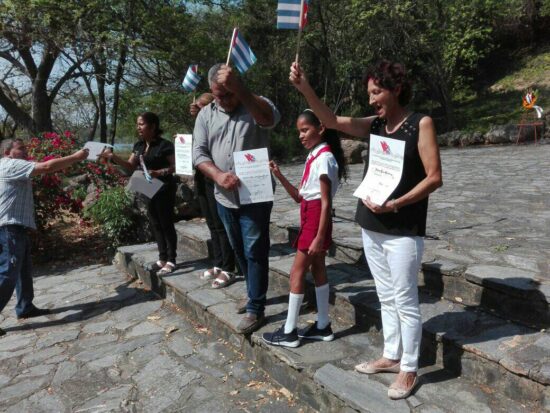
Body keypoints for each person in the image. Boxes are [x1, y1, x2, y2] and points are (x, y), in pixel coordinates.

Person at [289, 60, 442, 399]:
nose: (372, 99)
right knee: (385, 295)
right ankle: (391, 355)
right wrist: (305, 88)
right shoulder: (374, 126)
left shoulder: (421, 124)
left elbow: (434, 177)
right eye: (369, 93)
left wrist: (396, 203)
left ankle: (409, 368)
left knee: (405, 299)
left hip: (403, 228)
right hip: (371, 224)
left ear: (396, 89)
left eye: (377, 92)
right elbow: (329, 121)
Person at [193, 63, 281, 334]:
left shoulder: (255, 104)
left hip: (255, 195)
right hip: (224, 196)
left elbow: (269, 119)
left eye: (228, 94)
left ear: (236, 85)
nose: (223, 100)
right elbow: (199, 153)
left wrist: (241, 91)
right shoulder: (206, 115)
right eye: (218, 95)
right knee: (239, 249)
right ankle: (252, 291)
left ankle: (256, 308)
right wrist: (218, 176)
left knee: (255, 250)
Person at [262, 109, 346, 348]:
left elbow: (326, 202)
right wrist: (279, 175)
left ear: (321, 128)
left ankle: (289, 331)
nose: (301, 135)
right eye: (299, 131)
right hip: (309, 214)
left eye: (305, 130)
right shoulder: (313, 156)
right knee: (318, 268)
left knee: (296, 273)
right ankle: (323, 325)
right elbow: (300, 197)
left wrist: (319, 235)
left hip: (316, 219)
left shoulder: (324, 158)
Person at [0, 139, 89, 336]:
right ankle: (24, 307)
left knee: (23, 270)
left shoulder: (8, 165)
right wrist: (76, 157)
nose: (25, 151)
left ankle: (25, 307)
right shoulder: (11, 164)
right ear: (7, 152)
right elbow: (47, 166)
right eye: (21, 148)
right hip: (9, 228)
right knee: (8, 272)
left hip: (15, 227)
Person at [100, 112, 177, 275]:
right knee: (155, 222)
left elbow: (175, 166)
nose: (138, 127)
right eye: (137, 124)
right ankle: (162, 257)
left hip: (164, 188)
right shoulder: (139, 146)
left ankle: (171, 259)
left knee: (166, 223)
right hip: (148, 188)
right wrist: (113, 157)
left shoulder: (165, 145)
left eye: (141, 124)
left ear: (153, 126)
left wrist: (160, 172)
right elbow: (130, 165)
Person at [190, 93, 237, 288]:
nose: (196, 109)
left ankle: (229, 266)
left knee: (220, 223)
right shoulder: (200, 123)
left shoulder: (219, 123)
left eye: (201, 106)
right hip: (202, 177)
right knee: (211, 223)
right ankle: (218, 262)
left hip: (216, 176)